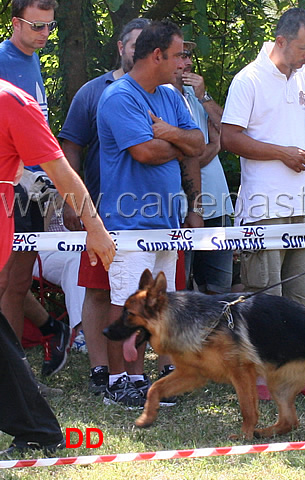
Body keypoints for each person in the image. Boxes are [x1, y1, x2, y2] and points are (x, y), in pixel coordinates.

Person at [0, 78, 115, 457]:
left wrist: (94, 228)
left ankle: (40, 431)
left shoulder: (14, 102)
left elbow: (61, 171)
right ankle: (39, 431)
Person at [221, 8, 305, 400]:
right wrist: (281, 154)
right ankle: (260, 379)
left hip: (302, 201)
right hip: (263, 205)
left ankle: (293, 376)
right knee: (262, 296)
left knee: (297, 296)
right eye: (303, 47)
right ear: (281, 41)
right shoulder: (247, 79)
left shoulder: (304, 76)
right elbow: (229, 138)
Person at [97, 19, 204, 408]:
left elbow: (199, 143)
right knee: (128, 302)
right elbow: (143, 152)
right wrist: (178, 142)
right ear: (157, 55)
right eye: (177, 56)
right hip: (129, 224)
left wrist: (169, 134)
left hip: (166, 221)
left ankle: (139, 379)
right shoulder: (119, 96)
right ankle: (116, 382)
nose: (182, 63)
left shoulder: (170, 97)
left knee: (157, 305)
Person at [58, 17, 150, 396]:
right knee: (98, 291)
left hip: (150, 213)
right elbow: (70, 147)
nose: (140, 51)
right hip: (99, 209)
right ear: (120, 47)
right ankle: (100, 369)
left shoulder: (160, 90)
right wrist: (73, 202)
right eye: (134, 44)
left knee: (141, 293)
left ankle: (136, 372)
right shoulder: (93, 92)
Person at [0, 0, 71, 378]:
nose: (45, 35)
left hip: (34, 187)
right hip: (9, 183)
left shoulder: (31, 59)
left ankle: (19, 376)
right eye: (37, 26)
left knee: (17, 281)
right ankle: (20, 373)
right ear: (16, 23)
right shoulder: (3, 59)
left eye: (50, 27)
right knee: (8, 280)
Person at [173, 40, 234, 295]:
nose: (188, 63)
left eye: (190, 56)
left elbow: (229, 131)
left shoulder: (194, 95)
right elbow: (188, 157)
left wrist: (204, 97)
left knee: (219, 291)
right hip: (182, 208)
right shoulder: (161, 97)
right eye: (182, 56)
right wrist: (215, 147)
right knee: (181, 290)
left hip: (217, 205)